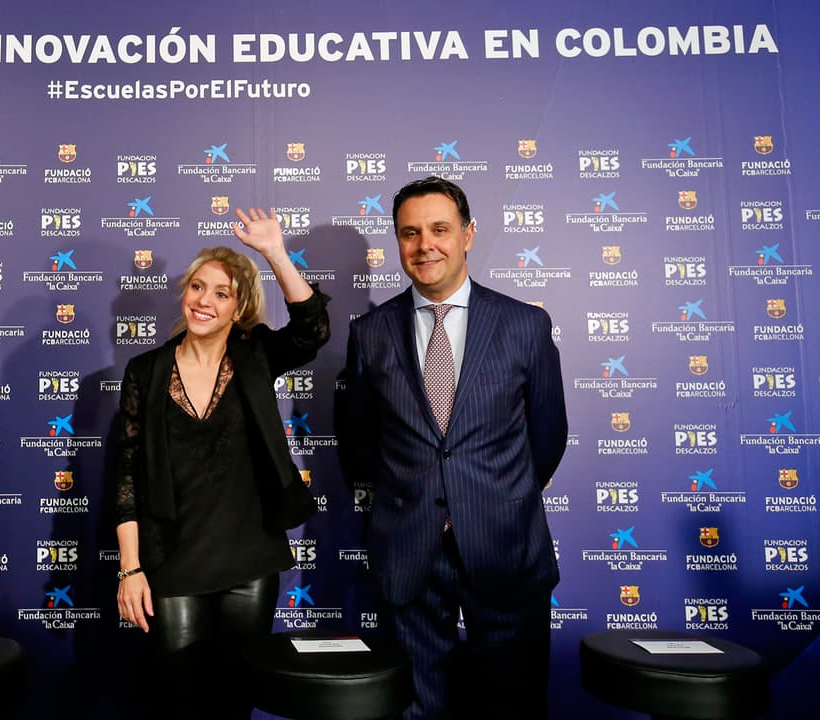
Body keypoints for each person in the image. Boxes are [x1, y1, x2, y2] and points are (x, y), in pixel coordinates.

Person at [339, 177, 567, 719]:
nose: (425, 245)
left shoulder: (525, 324)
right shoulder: (370, 332)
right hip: (408, 546)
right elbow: (359, 443)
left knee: (514, 704)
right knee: (418, 707)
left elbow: (548, 435)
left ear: (468, 234)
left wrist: (491, 498)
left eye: (440, 229)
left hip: (506, 544)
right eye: (410, 233)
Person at [114, 208, 328, 719]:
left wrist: (275, 251)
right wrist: (131, 568)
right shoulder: (145, 371)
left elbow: (312, 329)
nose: (203, 301)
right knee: (180, 696)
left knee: (235, 698)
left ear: (240, 308)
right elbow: (127, 476)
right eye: (197, 287)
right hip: (172, 558)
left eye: (221, 293)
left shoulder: (255, 356)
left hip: (248, 559)